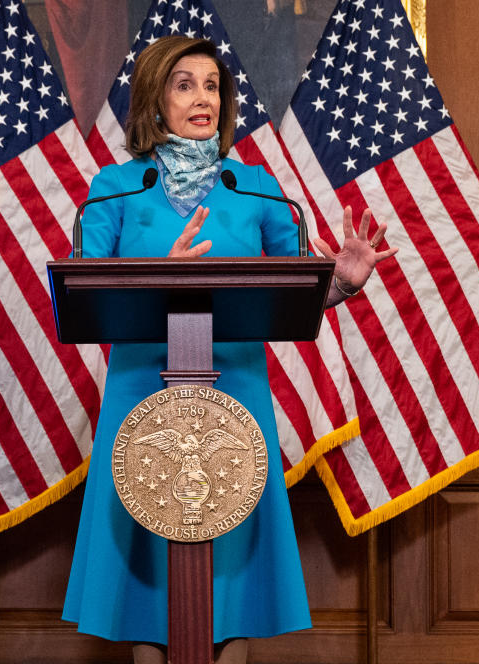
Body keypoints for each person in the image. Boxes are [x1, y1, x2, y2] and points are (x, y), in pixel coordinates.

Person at [61, 36, 397, 664]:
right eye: (185, 84)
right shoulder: (116, 189)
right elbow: (83, 286)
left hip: (235, 395)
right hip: (142, 395)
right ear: (156, 101)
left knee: (232, 569)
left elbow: (297, 289)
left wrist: (342, 281)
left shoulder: (254, 188)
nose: (203, 98)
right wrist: (158, 272)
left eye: (212, 85)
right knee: (148, 571)